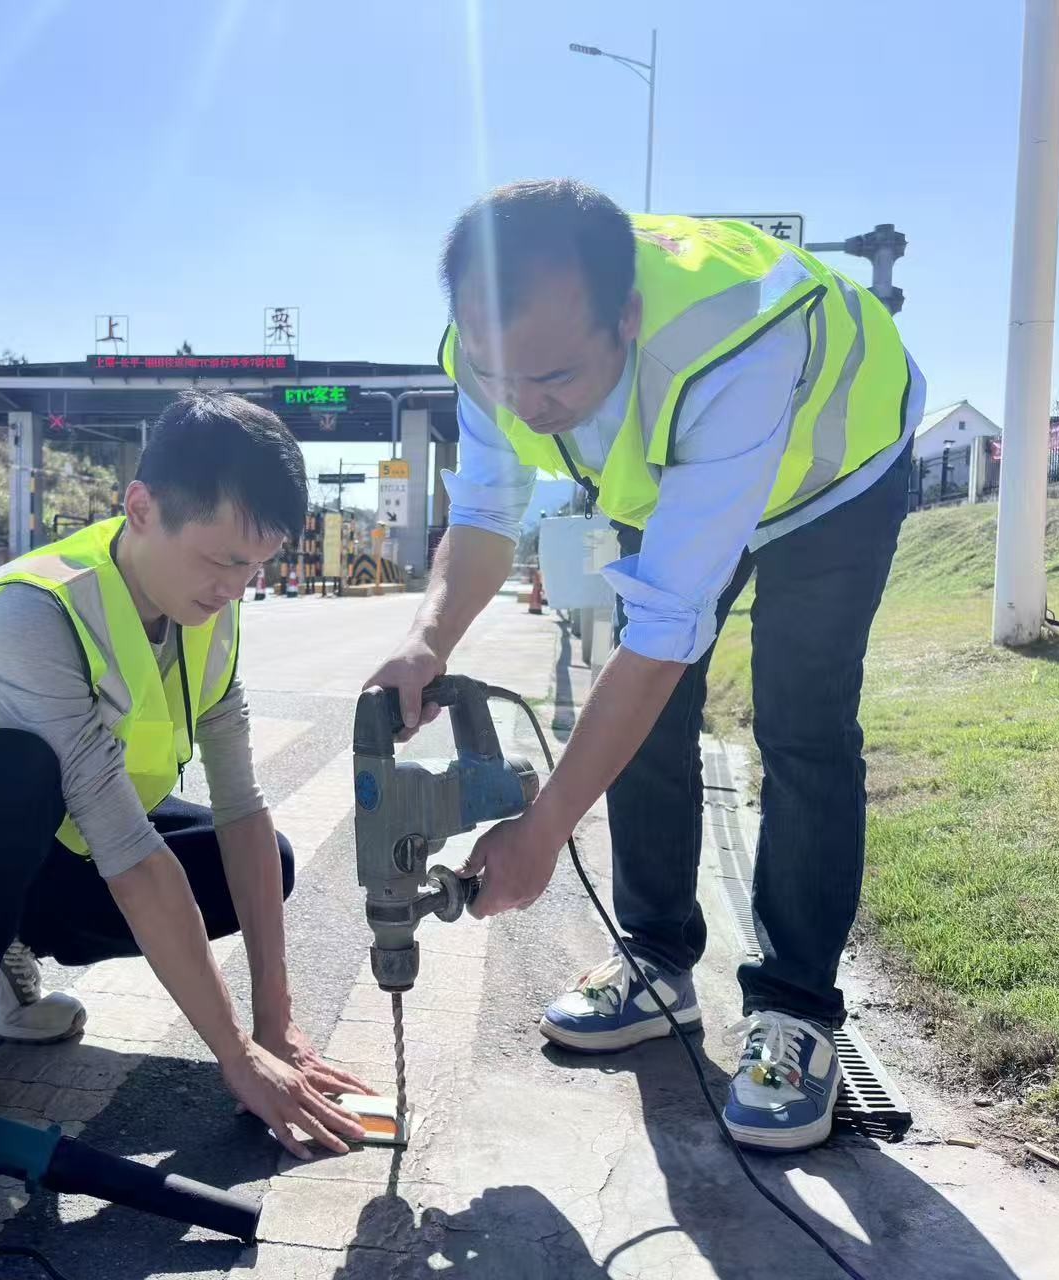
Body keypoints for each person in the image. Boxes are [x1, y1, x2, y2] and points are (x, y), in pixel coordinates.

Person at [369, 180, 926, 1152]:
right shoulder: (494, 345)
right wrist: (427, 640)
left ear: (625, 316)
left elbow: (667, 633)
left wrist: (544, 829)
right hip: (671, 474)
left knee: (800, 720)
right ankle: (657, 959)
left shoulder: (730, 342)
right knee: (649, 720)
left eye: (552, 378)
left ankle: (795, 1009)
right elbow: (488, 513)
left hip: (834, 473)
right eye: (500, 380)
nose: (524, 406)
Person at [0, 390, 368, 1158]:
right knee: (12, 771)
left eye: (256, 565)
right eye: (222, 560)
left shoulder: (207, 612)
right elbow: (125, 850)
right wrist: (234, 1055)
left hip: (27, 844)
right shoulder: (33, 614)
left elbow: (241, 808)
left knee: (255, 863)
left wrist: (275, 1021)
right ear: (141, 508)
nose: (237, 588)